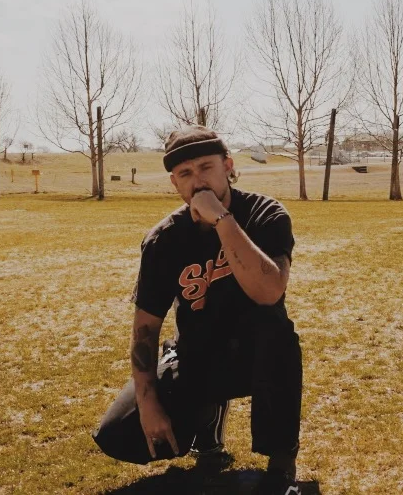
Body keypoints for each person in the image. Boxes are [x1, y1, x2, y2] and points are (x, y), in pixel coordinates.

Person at [93, 125, 303, 495]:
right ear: (174, 182)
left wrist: (221, 219)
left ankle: (281, 460)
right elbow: (145, 329)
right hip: (196, 354)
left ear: (228, 166)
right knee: (118, 434)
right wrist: (148, 403)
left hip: (258, 353)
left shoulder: (265, 214)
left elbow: (269, 292)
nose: (198, 181)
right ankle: (208, 425)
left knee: (277, 336)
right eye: (185, 173)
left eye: (206, 167)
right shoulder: (163, 240)